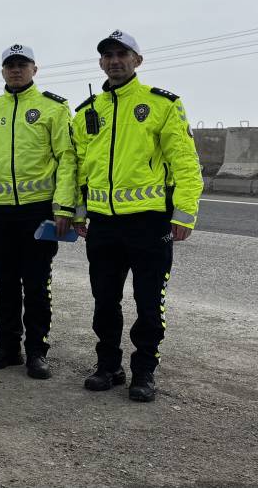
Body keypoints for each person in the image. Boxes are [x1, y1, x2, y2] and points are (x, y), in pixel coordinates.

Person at [71, 30, 203, 402]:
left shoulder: (162, 104)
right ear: (101, 63)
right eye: (108, 55)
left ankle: (144, 372)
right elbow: (78, 168)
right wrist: (77, 212)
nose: (115, 60)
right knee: (105, 302)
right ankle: (108, 366)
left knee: (148, 304)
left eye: (122, 54)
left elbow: (186, 163)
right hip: (104, 224)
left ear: (137, 61)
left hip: (149, 224)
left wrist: (185, 214)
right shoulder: (86, 112)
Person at [0, 45, 78, 380]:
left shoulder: (53, 108)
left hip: (38, 212)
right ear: (2, 71)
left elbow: (67, 160)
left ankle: (37, 352)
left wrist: (64, 206)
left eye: (21, 65)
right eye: (9, 65)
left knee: (37, 285)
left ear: (34, 69)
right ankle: (7, 347)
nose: (15, 70)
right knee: (4, 283)